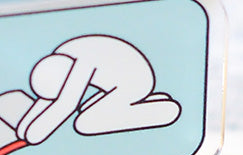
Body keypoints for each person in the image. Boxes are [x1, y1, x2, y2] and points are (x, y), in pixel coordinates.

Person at [16, 34, 181, 145]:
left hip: (135, 84)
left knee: (84, 123)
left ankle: (163, 110)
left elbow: (66, 104)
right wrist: (21, 130)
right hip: (111, 86)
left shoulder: (80, 63)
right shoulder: (60, 57)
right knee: (86, 109)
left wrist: (31, 136)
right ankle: (147, 104)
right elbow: (50, 99)